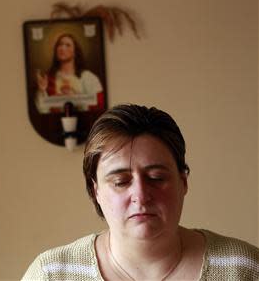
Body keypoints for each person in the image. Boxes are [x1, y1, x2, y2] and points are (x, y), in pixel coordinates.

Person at [22, 104, 259, 280]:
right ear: (96, 191)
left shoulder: (244, 268)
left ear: (183, 182)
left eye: (156, 178)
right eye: (121, 181)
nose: (141, 195)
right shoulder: (51, 274)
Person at [35, 33, 103, 112]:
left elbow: (98, 107)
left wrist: (75, 98)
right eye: (60, 45)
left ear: (75, 52)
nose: (62, 48)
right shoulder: (48, 78)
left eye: (68, 45)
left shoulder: (88, 77)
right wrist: (42, 90)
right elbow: (43, 111)